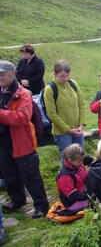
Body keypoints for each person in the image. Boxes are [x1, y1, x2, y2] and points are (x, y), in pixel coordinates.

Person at [0, 60, 49, 218]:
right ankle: (17, 200)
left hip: (22, 142)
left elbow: (22, 118)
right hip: (3, 142)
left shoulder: (23, 94)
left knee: (31, 175)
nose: (0, 77)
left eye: (2, 74)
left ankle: (41, 205)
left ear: (12, 74)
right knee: (9, 174)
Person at [44, 60, 85, 159]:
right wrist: (68, 130)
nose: (65, 79)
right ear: (55, 74)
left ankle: (80, 174)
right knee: (68, 159)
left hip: (78, 130)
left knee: (80, 157)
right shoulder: (50, 89)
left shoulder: (73, 84)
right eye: (62, 76)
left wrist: (81, 125)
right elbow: (52, 114)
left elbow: (81, 105)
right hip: (62, 133)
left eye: (67, 75)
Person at [56, 144, 89, 212]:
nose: (81, 163)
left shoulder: (78, 165)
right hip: (71, 202)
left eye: (82, 160)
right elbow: (73, 195)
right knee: (97, 202)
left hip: (83, 192)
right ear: (70, 160)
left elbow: (87, 176)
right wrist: (88, 195)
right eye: (79, 161)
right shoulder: (65, 176)